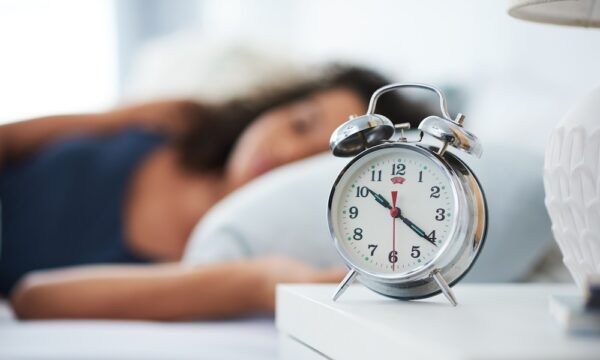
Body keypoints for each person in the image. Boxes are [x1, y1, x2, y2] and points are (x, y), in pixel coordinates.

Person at [0, 65, 428, 320]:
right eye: (300, 123)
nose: (286, 151)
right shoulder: (180, 119)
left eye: (311, 162)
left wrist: (256, 283)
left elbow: (33, 297)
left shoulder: (219, 256)